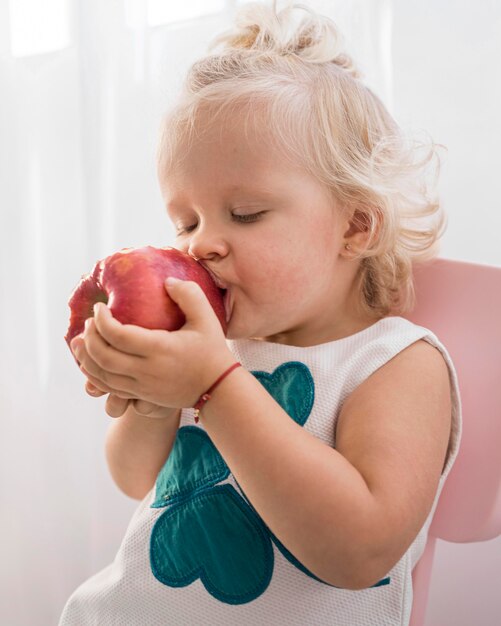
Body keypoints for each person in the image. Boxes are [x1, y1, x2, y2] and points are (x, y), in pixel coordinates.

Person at [59, 2, 461, 624]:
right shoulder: (214, 343)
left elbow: (360, 552)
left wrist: (214, 387)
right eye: (185, 221)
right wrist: (156, 399)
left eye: (244, 214)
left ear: (355, 226)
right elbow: (135, 478)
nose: (198, 245)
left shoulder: (394, 363)